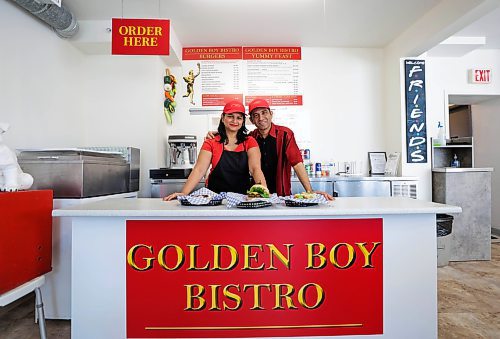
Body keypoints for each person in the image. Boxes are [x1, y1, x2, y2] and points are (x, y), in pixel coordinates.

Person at [207, 99, 333, 200]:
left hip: (281, 195)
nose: (261, 118)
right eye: (256, 115)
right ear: (251, 120)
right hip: (256, 196)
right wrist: (218, 135)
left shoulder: (285, 134)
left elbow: (297, 163)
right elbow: (232, 138)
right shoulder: (250, 138)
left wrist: (309, 191)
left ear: (271, 114)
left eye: (264, 113)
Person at [163, 100, 267, 201]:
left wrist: (264, 192)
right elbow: (199, 170)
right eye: (230, 116)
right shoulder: (211, 141)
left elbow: (255, 169)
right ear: (222, 118)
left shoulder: (249, 141)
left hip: (241, 198)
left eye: (239, 118)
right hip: (214, 198)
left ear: (243, 121)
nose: (235, 121)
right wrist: (184, 193)